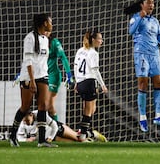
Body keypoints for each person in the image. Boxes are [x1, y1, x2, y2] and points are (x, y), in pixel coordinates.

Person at [124, 0, 160, 132]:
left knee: (159, 82)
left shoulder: (155, 21)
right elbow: (131, 32)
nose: (152, 5)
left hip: (155, 54)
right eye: (149, 2)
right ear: (142, 4)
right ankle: (142, 117)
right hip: (141, 54)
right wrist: (140, 17)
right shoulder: (135, 17)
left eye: (153, 2)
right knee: (143, 83)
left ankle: (158, 116)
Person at [9, 13, 57, 148]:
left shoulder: (46, 39)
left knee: (44, 106)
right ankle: (12, 136)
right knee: (25, 107)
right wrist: (32, 81)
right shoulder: (30, 38)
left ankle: (41, 141)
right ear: (44, 23)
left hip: (43, 75)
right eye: (50, 22)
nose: (51, 25)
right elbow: (28, 61)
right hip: (29, 77)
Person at [74, 28, 108, 141]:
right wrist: (102, 84)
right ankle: (84, 135)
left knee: (91, 109)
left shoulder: (80, 50)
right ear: (93, 39)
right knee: (89, 111)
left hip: (80, 82)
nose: (101, 41)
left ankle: (84, 130)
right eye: (99, 39)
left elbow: (75, 66)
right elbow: (95, 71)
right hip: (89, 81)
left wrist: (76, 82)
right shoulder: (93, 53)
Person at [17, 110, 107, 143]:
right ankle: (90, 142)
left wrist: (50, 137)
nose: (26, 123)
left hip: (57, 129)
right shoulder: (23, 123)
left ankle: (93, 134)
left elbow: (54, 126)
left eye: (27, 120)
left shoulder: (41, 114)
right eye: (24, 121)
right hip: (51, 138)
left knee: (77, 138)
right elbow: (19, 137)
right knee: (75, 144)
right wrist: (26, 140)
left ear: (31, 115)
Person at [45, 31, 75, 121]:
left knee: (48, 105)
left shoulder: (55, 42)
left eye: (48, 30)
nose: (46, 32)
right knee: (44, 107)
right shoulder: (36, 42)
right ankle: (48, 131)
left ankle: (57, 129)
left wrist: (69, 75)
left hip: (53, 76)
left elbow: (63, 57)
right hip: (41, 77)